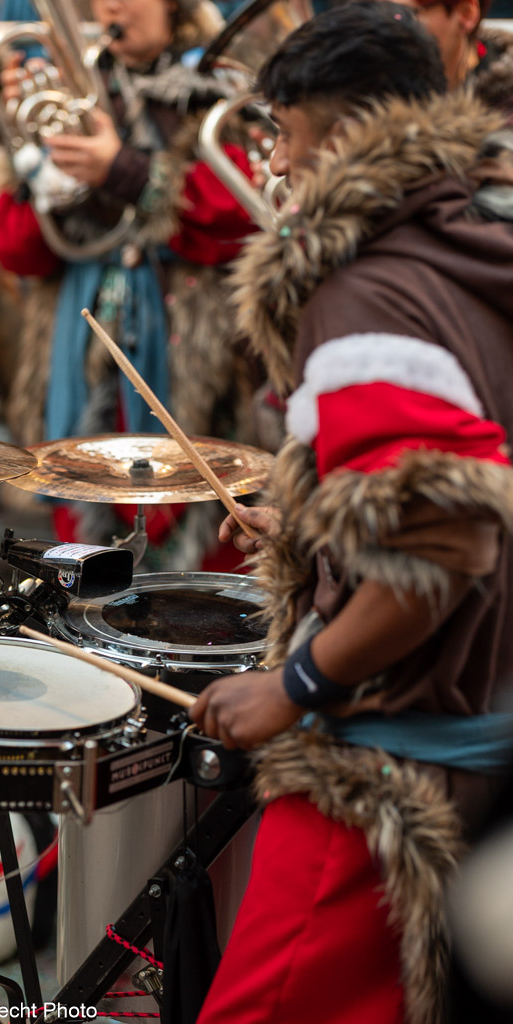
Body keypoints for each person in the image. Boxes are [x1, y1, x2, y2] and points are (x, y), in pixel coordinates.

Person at [188, 3, 513, 1022]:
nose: (271, 162)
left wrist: (291, 685)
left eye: (278, 134)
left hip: (386, 772)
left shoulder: (363, 292)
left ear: (335, 136)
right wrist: (317, 525)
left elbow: (447, 538)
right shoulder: (471, 241)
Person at [0, 0, 263, 571]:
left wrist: (125, 171)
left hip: (192, 335)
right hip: (80, 334)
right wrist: (40, 173)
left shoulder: (217, 89)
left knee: (201, 504)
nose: (110, 5)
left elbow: (240, 215)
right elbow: (17, 248)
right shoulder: (71, 88)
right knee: (81, 501)